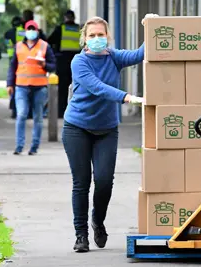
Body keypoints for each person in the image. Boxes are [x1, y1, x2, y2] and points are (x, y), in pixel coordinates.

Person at [62, 16, 144, 253]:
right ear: (84, 39)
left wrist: (151, 26)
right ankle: (81, 235)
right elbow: (96, 86)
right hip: (77, 127)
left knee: (105, 181)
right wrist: (127, 97)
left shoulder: (114, 57)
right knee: (82, 183)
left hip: (106, 129)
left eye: (101, 35)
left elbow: (140, 54)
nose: (97, 39)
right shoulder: (79, 62)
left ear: (108, 37)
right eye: (92, 35)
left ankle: (97, 220)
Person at [7, 20, 56, 155]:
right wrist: (9, 84)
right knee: (21, 115)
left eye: (33, 29)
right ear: (25, 30)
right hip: (21, 86)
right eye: (29, 29)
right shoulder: (18, 46)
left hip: (39, 87)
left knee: (38, 118)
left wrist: (44, 64)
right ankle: (19, 146)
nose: (31, 31)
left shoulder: (44, 46)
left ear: (37, 30)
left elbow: (53, 66)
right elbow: (12, 67)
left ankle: (34, 146)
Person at [47, 9, 82, 118]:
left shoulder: (60, 29)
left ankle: (61, 112)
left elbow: (49, 41)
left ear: (65, 18)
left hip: (62, 62)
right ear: (73, 18)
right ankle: (75, 112)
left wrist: (55, 53)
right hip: (77, 62)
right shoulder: (79, 29)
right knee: (77, 88)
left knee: (62, 89)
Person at [4, 16, 25, 118]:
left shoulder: (7, 33)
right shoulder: (24, 32)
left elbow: (7, 45)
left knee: (13, 85)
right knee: (21, 85)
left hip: (12, 59)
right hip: (23, 60)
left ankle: (13, 109)